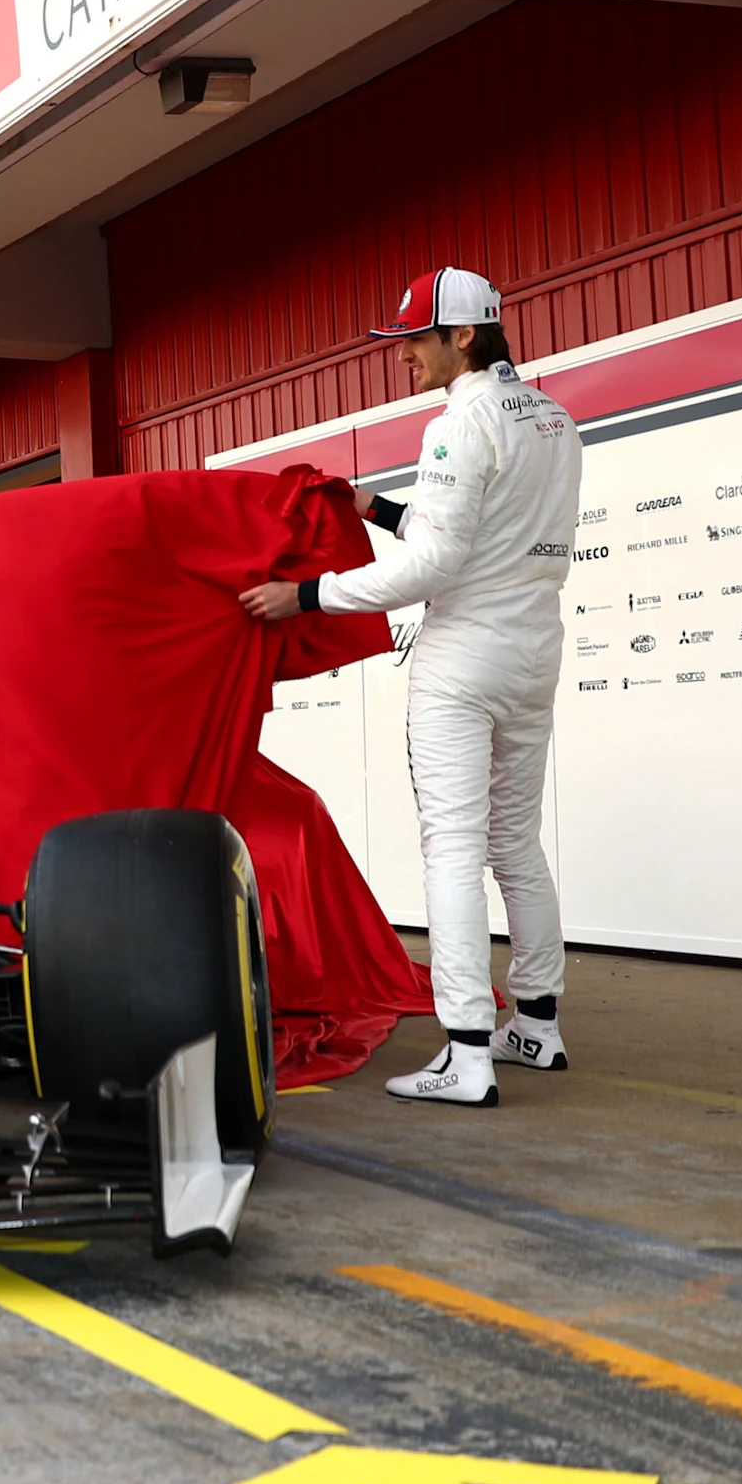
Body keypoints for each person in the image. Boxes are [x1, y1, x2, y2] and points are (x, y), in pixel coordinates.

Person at [240, 269, 580, 1110]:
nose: (405, 359)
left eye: (415, 341)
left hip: (462, 659)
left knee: (454, 847)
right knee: (516, 842)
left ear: (463, 336)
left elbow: (431, 565)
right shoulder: (554, 418)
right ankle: (535, 1021)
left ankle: (466, 1050)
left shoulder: (458, 422)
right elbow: (477, 529)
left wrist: (305, 595)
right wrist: (367, 504)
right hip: (534, 649)